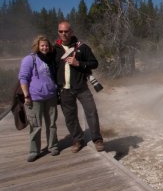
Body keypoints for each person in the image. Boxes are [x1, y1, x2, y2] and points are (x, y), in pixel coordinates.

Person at [54, 21, 104, 153]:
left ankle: (97, 139)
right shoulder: (54, 50)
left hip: (81, 87)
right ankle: (78, 140)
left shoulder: (82, 47)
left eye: (66, 31)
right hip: (64, 89)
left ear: (71, 32)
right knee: (70, 117)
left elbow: (94, 63)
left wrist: (79, 63)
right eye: (61, 31)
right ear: (58, 32)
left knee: (91, 112)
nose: (63, 34)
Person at [18, 35, 59, 162]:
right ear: (37, 46)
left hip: (51, 96)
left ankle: (53, 146)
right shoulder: (29, 59)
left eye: (46, 45)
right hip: (34, 98)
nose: (45, 47)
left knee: (51, 124)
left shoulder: (51, 59)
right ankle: (34, 151)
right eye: (42, 45)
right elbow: (23, 77)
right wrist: (26, 95)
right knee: (36, 125)